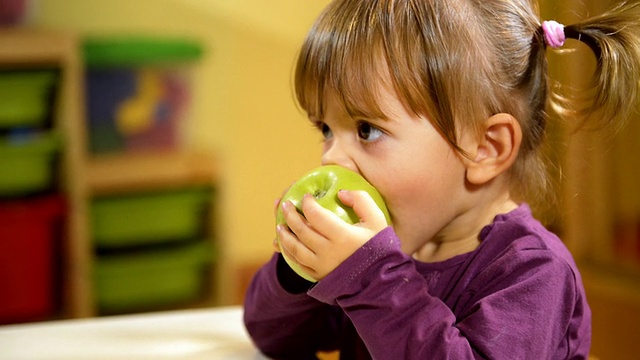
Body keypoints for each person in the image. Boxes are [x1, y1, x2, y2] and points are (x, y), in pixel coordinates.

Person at [243, 0, 640, 358]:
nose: (331, 157)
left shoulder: (534, 272)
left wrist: (372, 280)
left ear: (486, 148)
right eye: (326, 129)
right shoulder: (386, 248)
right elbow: (276, 339)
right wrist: (295, 270)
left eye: (367, 129)